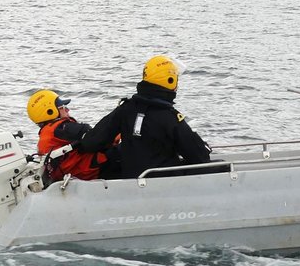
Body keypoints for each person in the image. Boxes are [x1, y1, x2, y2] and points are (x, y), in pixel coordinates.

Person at [79, 55, 213, 179]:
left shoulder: (125, 108)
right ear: (170, 81)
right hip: (163, 182)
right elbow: (199, 156)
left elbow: (92, 142)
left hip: (130, 178)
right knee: (221, 166)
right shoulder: (170, 117)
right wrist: (204, 148)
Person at [26, 89, 107, 182]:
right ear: (50, 111)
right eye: (63, 107)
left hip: (77, 175)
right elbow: (89, 132)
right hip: (94, 171)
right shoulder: (60, 128)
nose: (67, 110)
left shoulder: (45, 136)